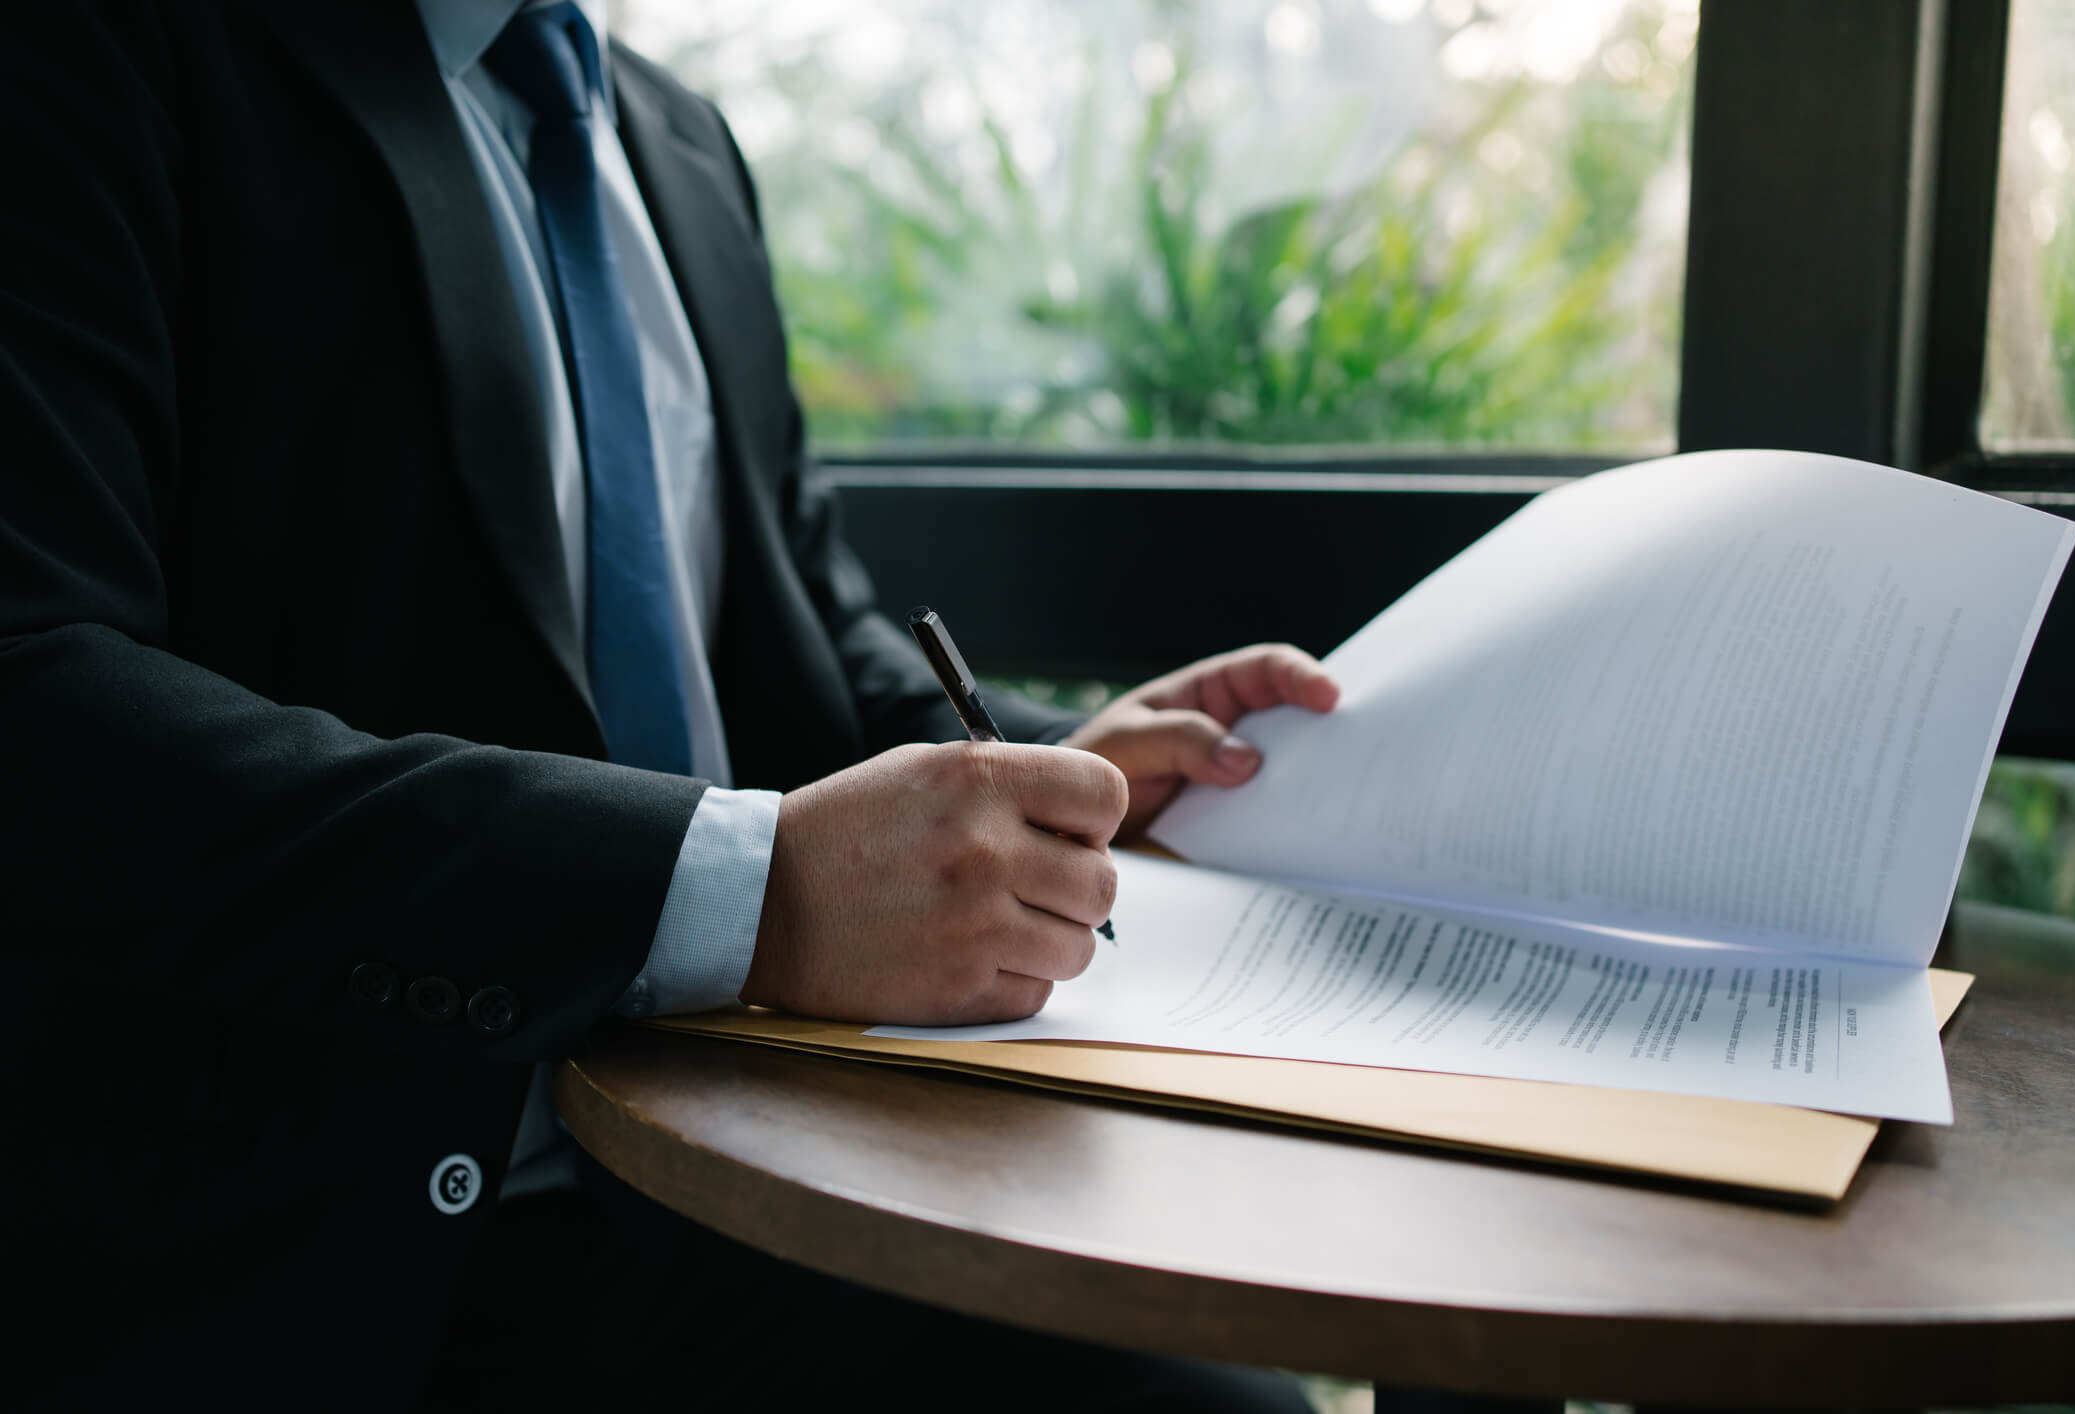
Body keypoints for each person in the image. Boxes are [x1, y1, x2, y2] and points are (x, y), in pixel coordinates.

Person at [1, 2, 1337, 1408]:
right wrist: (748, 891)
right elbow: (37, 705)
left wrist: (1055, 766)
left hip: (749, 1180)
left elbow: (799, 632)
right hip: (308, 1265)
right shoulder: (96, 58)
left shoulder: (679, 143)